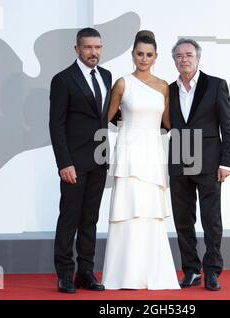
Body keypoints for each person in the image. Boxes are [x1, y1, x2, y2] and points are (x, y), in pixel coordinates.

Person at [102, 30, 180, 290]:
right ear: (132, 54)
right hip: (128, 156)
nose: (143, 59)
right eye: (139, 54)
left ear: (156, 56)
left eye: (148, 55)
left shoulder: (163, 86)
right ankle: (123, 276)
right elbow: (104, 119)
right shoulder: (122, 83)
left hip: (152, 155)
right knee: (126, 211)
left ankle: (152, 274)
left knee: (150, 212)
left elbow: (168, 123)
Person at [49, 27, 116, 293]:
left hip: (100, 160)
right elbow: (56, 124)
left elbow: (105, 115)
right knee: (69, 218)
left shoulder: (107, 76)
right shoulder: (63, 79)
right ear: (77, 49)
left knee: (90, 218)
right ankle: (65, 274)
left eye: (98, 47)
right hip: (73, 163)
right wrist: (64, 163)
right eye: (88, 47)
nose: (94, 52)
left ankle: (85, 272)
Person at [168, 38, 230, 291]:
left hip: (208, 160)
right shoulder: (168, 90)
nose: (183, 59)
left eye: (188, 55)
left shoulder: (215, 85)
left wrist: (227, 162)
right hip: (179, 158)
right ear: (174, 60)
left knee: (211, 219)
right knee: (182, 219)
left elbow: (227, 126)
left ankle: (212, 270)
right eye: (178, 56)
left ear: (198, 58)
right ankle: (191, 270)